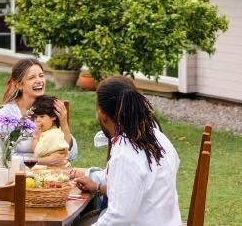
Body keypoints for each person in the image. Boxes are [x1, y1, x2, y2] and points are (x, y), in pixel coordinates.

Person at [75, 76, 181, 226]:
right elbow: (129, 181)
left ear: (102, 114)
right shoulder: (154, 134)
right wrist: (92, 179)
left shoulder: (125, 153)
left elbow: (118, 218)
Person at [0, 58, 77, 166]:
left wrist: (64, 124)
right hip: (18, 177)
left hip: (54, 176)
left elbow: (72, 154)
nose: (39, 80)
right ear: (19, 85)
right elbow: (1, 157)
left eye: (41, 76)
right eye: (32, 77)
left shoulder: (50, 107)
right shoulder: (6, 116)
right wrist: (42, 161)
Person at [29, 95, 70, 162]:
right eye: (35, 117)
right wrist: (36, 136)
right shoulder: (45, 132)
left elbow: (37, 152)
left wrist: (35, 138)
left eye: (42, 116)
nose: (37, 120)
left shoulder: (53, 135)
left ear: (53, 117)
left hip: (53, 169)